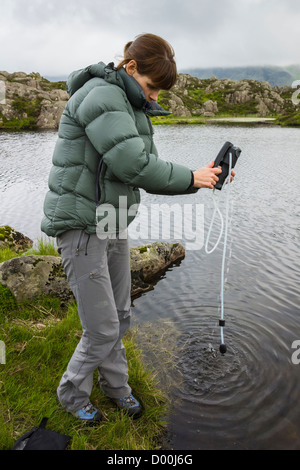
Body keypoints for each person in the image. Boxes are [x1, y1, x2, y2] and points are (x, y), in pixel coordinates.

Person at [41, 33, 235, 422]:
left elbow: (149, 169)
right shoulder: (100, 96)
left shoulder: (131, 105)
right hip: (82, 226)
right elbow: (135, 166)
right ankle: (71, 393)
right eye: (152, 87)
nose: (155, 98)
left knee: (119, 315)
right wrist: (193, 178)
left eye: (159, 92)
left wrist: (204, 176)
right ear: (130, 68)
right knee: (101, 327)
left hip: (110, 222)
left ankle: (117, 388)